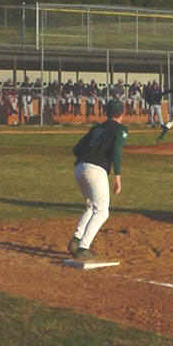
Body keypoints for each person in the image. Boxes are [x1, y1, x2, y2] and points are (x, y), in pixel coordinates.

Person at [68, 99, 128, 260]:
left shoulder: (96, 128)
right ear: (122, 113)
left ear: (106, 113)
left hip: (79, 168)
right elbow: (117, 152)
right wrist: (117, 177)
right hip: (96, 170)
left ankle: (76, 239)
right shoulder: (120, 129)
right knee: (102, 212)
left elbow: (76, 149)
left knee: (91, 206)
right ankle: (83, 248)